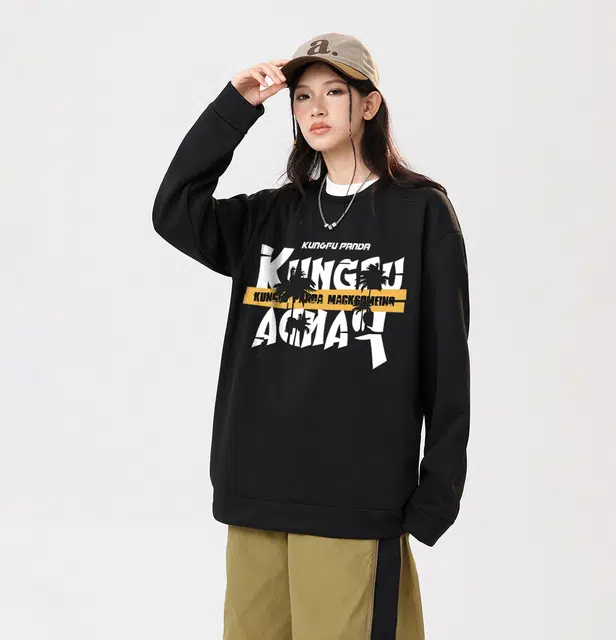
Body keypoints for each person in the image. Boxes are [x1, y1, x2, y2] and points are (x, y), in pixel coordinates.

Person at [152, 32, 470, 640]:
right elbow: (175, 209)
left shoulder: (419, 212)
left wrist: (439, 489)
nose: (316, 109)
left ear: (369, 104)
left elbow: (447, 359)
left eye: (334, 92)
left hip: (355, 496)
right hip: (256, 489)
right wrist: (234, 106)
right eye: (302, 96)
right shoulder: (272, 215)